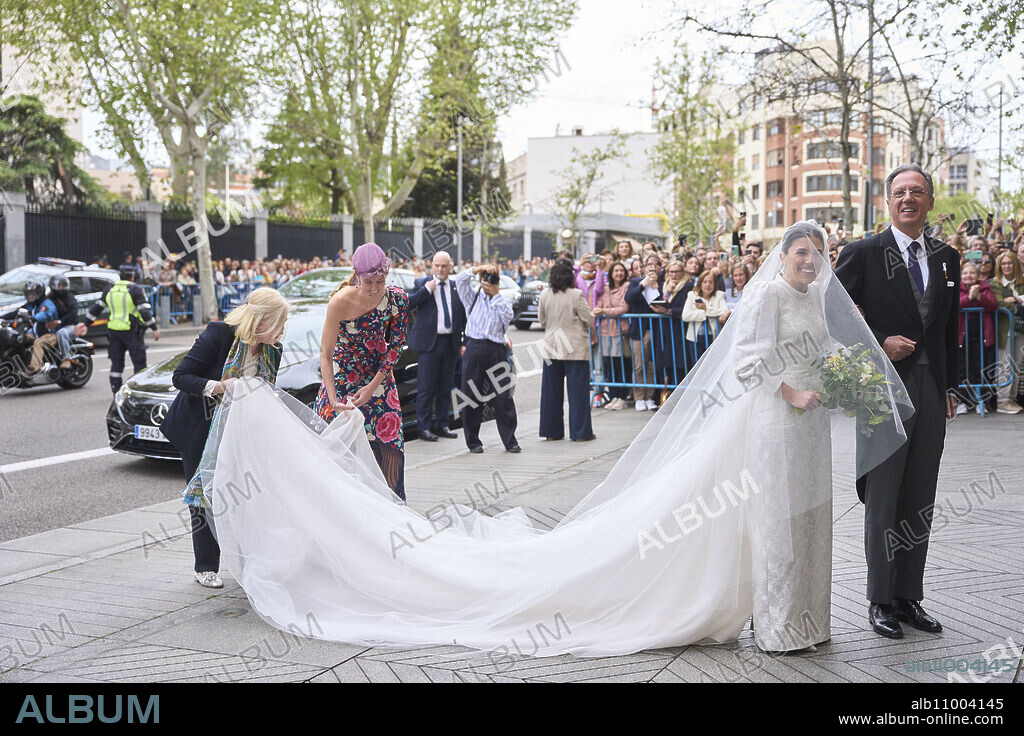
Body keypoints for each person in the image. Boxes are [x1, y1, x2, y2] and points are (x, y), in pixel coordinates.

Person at [195, 219, 910, 657]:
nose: (810, 264)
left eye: (817, 255)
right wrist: (794, 390)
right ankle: (781, 620)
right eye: (800, 255)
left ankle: (807, 617)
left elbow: (827, 353)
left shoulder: (815, 299)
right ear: (782, 260)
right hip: (774, 421)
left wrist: (841, 382)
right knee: (765, 521)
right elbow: (753, 359)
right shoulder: (765, 298)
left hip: (809, 428)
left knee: (807, 521)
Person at [835, 163, 960, 640]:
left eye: (918, 192)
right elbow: (833, 315)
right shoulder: (864, 253)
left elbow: (950, 329)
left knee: (920, 495)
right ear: (888, 202)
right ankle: (880, 599)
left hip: (931, 387)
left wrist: (952, 386)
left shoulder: (947, 257)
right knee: (884, 496)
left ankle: (909, 597)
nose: (908, 199)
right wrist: (880, 341)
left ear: (930, 202)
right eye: (900, 192)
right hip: (881, 389)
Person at [160, 288, 289, 588]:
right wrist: (219, 386)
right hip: (198, 428)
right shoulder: (219, 334)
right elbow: (181, 376)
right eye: (279, 323)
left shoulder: (274, 350)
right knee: (204, 497)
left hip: (241, 430)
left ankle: (248, 559)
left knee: (246, 493)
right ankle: (205, 566)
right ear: (260, 320)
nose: (283, 331)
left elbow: (266, 392)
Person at [313, 243, 410, 498]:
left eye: (381, 280)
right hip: (342, 379)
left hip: (379, 379)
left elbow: (396, 346)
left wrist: (373, 386)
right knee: (338, 456)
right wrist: (333, 400)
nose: (376, 288)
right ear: (357, 276)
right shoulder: (340, 302)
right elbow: (325, 354)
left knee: (390, 449)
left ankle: (392, 514)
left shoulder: (397, 299)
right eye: (369, 282)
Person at [453, 262, 520, 453]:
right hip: (474, 347)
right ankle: (473, 441)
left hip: (497, 349)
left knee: (503, 395)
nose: (489, 282)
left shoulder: (502, 300)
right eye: (486, 278)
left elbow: (507, 317)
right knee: (470, 395)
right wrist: (477, 269)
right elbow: (460, 280)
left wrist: (496, 293)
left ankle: (510, 440)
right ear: (480, 280)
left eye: (492, 278)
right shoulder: (471, 297)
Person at [408, 251, 466, 440]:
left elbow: (463, 317)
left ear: (451, 267)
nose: (440, 270)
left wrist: (463, 342)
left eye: (444, 266)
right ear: (431, 266)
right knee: (426, 388)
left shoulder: (456, 287)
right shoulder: (421, 284)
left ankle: (443, 424)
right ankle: (423, 427)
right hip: (429, 345)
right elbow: (408, 304)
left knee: (445, 387)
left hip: (450, 343)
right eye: (437, 266)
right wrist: (426, 290)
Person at [74, 265, 159, 392]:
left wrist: (86, 324)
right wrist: (154, 328)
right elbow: (144, 311)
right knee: (139, 362)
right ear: (132, 276)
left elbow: (97, 308)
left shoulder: (110, 289)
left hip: (114, 332)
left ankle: (116, 390)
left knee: (116, 364)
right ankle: (139, 390)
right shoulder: (135, 289)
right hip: (132, 331)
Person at [538, 260, 595, 441]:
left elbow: (542, 320)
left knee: (551, 393)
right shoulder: (576, 295)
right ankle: (580, 433)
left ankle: (551, 432)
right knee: (577, 393)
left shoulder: (545, 294)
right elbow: (589, 319)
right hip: (574, 347)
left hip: (552, 345)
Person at [954, 262, 999, 414]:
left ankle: (984, 401)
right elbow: (954, 305)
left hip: (982, 336)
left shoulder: (985, 287)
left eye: (972, 273)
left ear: (978, 275)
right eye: (965, 273)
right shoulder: (956, 288)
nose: (968, 276)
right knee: (962, 369)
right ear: (961, 276)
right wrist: (969, 297)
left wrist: (979, 296)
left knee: (982, 368)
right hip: (962, 336)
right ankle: (963, 401)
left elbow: (993, 305)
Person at [625, 254, 664, 411]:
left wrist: (658, 289)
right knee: (639, 365)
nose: (652, 267)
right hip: (639, 329)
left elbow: (666, 302)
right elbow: (629, 298)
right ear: (644, 267)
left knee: (652, 365)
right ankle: (639, 397)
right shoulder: (636, 282)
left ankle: (650, 396)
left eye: (655, 264)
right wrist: (643, 284)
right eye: (649, 264)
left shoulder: (662, 284)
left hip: (655, 328)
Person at [594, 261, 632, 409]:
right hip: (605, 330)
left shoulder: (626, 286)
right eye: (615, 271)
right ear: (611, 273)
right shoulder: (605, 287)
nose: (619, 274)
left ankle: (622, 396)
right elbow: (600, 304)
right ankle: (613, 396)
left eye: (621, 271)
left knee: (620, 364)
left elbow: (623, 308)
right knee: (609, 364)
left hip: (620, 331)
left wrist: (605, 311)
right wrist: (604, 310)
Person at [991, 251, 1024, 413]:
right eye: (1003, 263)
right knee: (1005, 364)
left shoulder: (1021, 282)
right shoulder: (995, 284)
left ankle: (1012, 398)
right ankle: (1003, 400)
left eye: (1010, 263)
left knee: (1017, 365)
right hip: (1005, 329)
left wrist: (1013, 301)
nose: (1007, 266)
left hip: (1020, 329)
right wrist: (1018, 303)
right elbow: (999, 304)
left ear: (1015, 265)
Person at [682, 269, 727, 368]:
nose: (708, 285)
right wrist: (704, 313)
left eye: (711, 282)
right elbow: (685, 316)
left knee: (713, 367)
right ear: (700, 283)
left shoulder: (719, 295)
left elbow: (725, 311)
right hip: (695, 338)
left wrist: (706, 308)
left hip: (713, 338)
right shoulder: (692, 295)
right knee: (697, 367)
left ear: (715, 284)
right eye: (705, 282)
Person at [24, 281, 60, 374]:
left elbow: (44, 314)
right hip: (37, 333)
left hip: (52, 334)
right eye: (28, 294)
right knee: (21, 339)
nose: (30, 296)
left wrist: (33, 318)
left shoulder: (47, 304)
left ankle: (34, 368)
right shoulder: (32, 305)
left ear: (39, 293)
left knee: (38, 343)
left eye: (32, 294)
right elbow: (18, 311)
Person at [46, 275, 79, 369]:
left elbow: (73, 314)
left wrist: (59, 321)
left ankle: (66, 359)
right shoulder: (49, 298)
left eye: (64, 285)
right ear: (53, 285)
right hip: (55, 327)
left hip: (71, 326)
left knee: (62, 333)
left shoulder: (69, 297)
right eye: (59, 285)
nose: (62, 288)